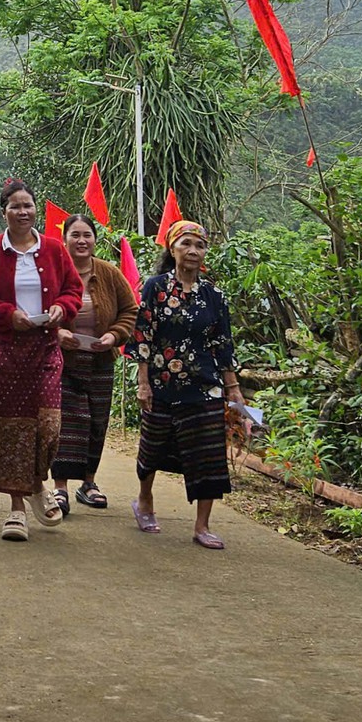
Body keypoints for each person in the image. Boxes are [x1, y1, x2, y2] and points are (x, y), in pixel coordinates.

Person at [0, 178, 84, 542]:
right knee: (10, 428)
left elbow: (72, 289)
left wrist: (63, 308)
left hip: (46, 347)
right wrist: (6, 314)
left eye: (28, 205)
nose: (22, 211)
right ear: (4, 212)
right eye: (15, 206)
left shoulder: (53, 249)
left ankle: (35, 482)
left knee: (48, 426)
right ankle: (17, 508)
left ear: (36, 210)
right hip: (4, 350)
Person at [132, 219, 248, 549]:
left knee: (208, 455)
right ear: (172, 249)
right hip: (161, 382)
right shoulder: (155, 287)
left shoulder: (214, 296)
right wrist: (143, 383)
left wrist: (233, 388)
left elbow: (223, 344)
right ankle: (144, 501)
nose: (193, 251)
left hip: (205, 387)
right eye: (186, 244)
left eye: (200, 245)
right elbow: (143, 336)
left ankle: (202, 526)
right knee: (152, 449)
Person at [50, 213, 138, 515]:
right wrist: (58, 333)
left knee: (96, 422)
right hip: (63, 361)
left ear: (95, 240)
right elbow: (38, 310)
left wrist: (114, 336)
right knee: (64, 425)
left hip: (101, 361)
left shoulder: (109, 273)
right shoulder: (54, 273)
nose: (81, 240)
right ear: (65, 240)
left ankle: (89, 483)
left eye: (87, 235)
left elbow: (130, 310)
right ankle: (59, 487)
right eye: (75, 235)